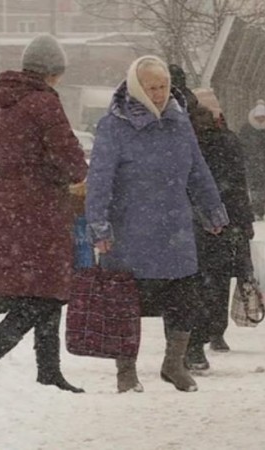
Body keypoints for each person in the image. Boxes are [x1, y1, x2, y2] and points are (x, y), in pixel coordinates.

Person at [86, 56, 228, 393]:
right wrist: (99, 226)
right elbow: (99, 180)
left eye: (163, 86)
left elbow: (197, 169)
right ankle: (126, 371)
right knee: (126, 303)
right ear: (137, 88)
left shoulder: (179, 121)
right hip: (130, 228)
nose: (160, 93)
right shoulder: (114, 126)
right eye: (153, 87)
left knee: (184, 295)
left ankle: (173, 363)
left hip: (175, 226)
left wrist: (213, 210)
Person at [0, 34, 88, 393]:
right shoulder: (44, 103)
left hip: (5, 205)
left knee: (41, 290)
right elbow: (68, 156)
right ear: (54, 72)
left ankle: (49, 372)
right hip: (42, 208)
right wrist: (74, 173)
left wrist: (13, 181)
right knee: (44, 295)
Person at [185, 88, 255, 370]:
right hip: (223, 220)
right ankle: (215, 331)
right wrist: (243, 221)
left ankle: (193, 337)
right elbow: (238, 184)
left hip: (190, 220)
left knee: (194, 281)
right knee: (218, 278)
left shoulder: (185, 140)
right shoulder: (228, 141)